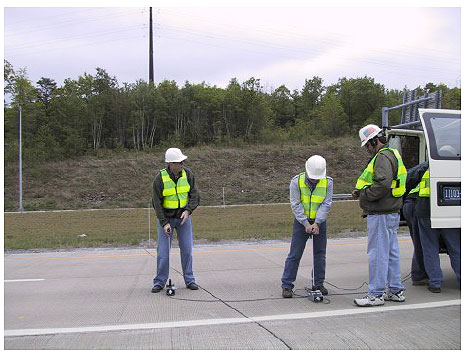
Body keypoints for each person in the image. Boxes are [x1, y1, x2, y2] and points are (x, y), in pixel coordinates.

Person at [352, 124, 407, 307]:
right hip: (391, 211)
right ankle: (396, 290)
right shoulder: (393, 154)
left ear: (374, 141)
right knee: (391, 253)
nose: (367, 149)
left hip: (381, 212)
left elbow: (382, 185)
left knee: (377, 254)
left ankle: (376, 294)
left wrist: (364, 195)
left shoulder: (381, 157)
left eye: (367, 145)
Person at [281, 155, 333, 298]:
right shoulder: (296, 182)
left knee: (320, 254)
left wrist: (317, 223)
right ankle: (287, 285)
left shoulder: (328, 182)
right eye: (313, 177)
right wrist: (306, 223)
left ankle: (318, 283)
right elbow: (295, 204)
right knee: (295, 254)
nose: (315, 180)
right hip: (301, 222)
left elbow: (326, 203)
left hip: (319, 222)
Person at [151, 148, 200, 293]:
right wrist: (164, 222)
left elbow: (195, 196)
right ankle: (159, 282)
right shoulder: (160, 178)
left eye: (182, 161)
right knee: (163, 253)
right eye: (179, 162)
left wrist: (188, 210)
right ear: (171, 164)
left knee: (187, 251)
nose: (182, 163)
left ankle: (190, 280)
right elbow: (156, 202)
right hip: (166, 219)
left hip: (183, 219)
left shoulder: (189, 175)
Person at [410, 161, 461, 293]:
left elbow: (409, 177)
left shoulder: (427, 167)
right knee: (455, 248)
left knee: (429, 248)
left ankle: (435, 283)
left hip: (425, 211)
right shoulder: (456, 168)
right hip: (447, 210)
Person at [403, 161, 429, 286]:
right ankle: (419, 275)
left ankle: (420, 274)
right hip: (415, 204)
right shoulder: (429, 165)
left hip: (412, 203)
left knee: (420, 242)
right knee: (421, 242)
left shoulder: (426, 166)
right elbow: (408, 178)